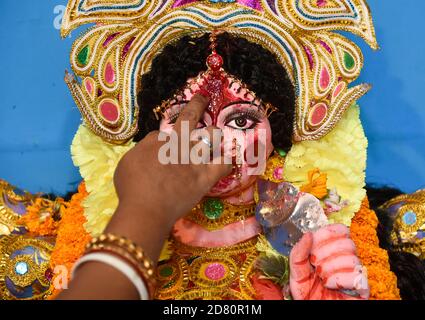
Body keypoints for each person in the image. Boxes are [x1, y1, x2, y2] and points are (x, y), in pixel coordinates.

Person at [0, 0, 417, 300]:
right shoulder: (99, 230)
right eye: (188, 121)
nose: (214, 142)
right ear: (149, 139)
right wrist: (143, 212)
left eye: (241, 121)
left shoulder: (320, 233)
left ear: (279, 135)